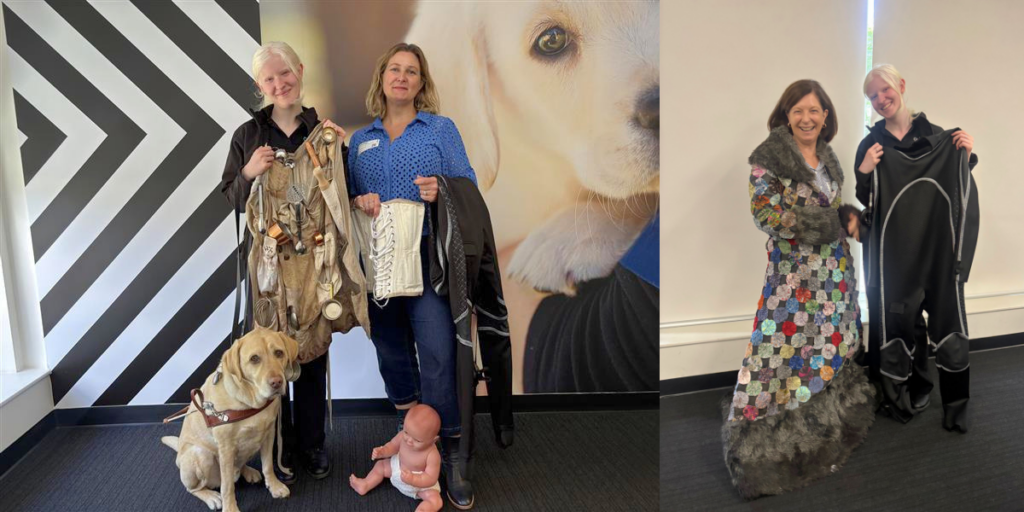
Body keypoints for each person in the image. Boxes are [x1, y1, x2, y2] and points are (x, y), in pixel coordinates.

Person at [721, 80, 875, 500]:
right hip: (794, 277)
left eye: (814, 111)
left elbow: (831, 205)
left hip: (834, 274)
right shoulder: (768, 160)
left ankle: (827, 422)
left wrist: (847, 217)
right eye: (798, 111)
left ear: (826, 116)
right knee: (778, 351)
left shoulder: (828, 156)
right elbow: (765, 214)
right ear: (786, 116)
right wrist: (825, 223)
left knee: (829, 343)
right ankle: (758, 447)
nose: (807, 118)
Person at [348, 42, 478, 510]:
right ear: (382, 78)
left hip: (427, 257)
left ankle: (452, 450)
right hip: (379, 261)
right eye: (395, 69)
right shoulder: (359, 140)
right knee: (390, 351)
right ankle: (411, 436)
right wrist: (358, 200)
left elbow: (468, 186)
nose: (402, 77)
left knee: (439, 353)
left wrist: (441, 190)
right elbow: (347, 200)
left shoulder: (439, 129)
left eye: (412, 71)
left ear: (422, 83)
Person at [219, 41, 348, 484]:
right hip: (270, 267)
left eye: (285, 73)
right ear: (260, 85)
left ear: (300, 70)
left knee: (309, 351)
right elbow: (231, 198)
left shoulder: (323, 132)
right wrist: (249, 172)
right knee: (270, 359)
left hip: (314, 263)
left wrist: (341, 154)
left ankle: (312, 444)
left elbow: (342, 194)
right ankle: (278, 447)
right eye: (269, 79)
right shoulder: (248, 136)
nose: (280, 84)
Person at [853, 64, 977, 428]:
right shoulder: (871, 144)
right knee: (897, 324)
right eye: (872, 96)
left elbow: (957, 185)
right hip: (892, 253)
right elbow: (866, 199)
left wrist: (966, 155)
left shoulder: (937, 135)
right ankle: (900, 395)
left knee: (947, 323)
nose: (880, 99)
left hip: (935, 249)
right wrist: (865, 171)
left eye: (885, 90)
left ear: (901, 86)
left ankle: (950, 403)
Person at [349, 404, 444, 512]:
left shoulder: (432, 455)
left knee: (436, 500)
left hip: (420, 485)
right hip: (397, 470)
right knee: (380, 465)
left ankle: (423, 509)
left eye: (417, 440)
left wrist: (413, 479)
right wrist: (383, 451)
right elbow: (393, 446)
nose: (409, 440)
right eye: (406, 432)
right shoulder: (402, 436)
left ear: (433, 440)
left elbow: (431, 478)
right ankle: (365, 484)